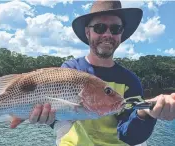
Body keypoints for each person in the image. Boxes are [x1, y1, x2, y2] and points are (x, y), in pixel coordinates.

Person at [11, 1, 175, 146]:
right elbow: (59, 117)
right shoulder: (70, 70)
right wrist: (47, 118)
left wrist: (144, 113)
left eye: (115, 28)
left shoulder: (130, 81)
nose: (107, 34)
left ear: (121, 34)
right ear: (88, 32)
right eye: (100, 27)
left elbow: (130, 136)